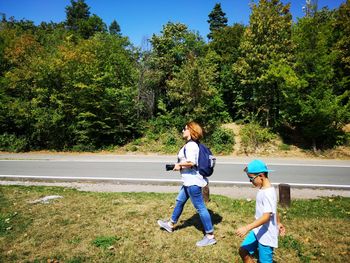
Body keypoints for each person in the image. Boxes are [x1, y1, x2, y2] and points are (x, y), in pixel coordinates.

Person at [157, 121, 217, 247]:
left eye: (184, 128)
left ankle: (210, 236)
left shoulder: (191, 146)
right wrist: (180, 167)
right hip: (188, 180)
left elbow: (191, 163)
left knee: (200, 208)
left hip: (193, 182)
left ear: (191, 130)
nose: (182, 131)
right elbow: (190, 164)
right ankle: (170, 225)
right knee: (180, 201)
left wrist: (178, 165)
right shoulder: (191, 145)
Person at [236, 159, 286, 263]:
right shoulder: (263, 188)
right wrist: (278, 222)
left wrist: (246, 228)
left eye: (251, 178)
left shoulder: (268, 193)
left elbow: (266, 217)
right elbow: (274, 209)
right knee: (243, 250)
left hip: (266, 235)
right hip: (258, 230)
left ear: (261, 176)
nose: (250, 181)